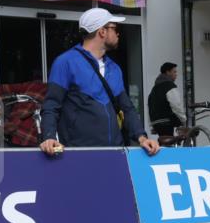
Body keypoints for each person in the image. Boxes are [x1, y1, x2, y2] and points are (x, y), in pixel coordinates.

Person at [40, 8, 159, 156]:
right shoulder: (65, 62)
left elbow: (127, 108)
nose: (118, 33)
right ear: (102, 32)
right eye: (114, 28)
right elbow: (51, 105)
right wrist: (49, 137)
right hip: (79, 155)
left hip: (116, 153)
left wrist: (142, 137)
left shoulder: (114, 68)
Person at [0, 80, 47, 147]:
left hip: (32, 140)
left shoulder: (55, 94)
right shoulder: (33, 86)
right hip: (14, 136)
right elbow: (0, 90)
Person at [147, 62, 189, 137]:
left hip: (156, 123)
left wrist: (151, 126)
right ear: (168, 72)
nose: (176, 74)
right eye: (174, 72)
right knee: (171, 142)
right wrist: (183, 120)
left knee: (164, 143)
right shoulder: (169, 86)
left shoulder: (154, 89)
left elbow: (150, 106)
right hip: (167, 122)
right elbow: (176, 105)